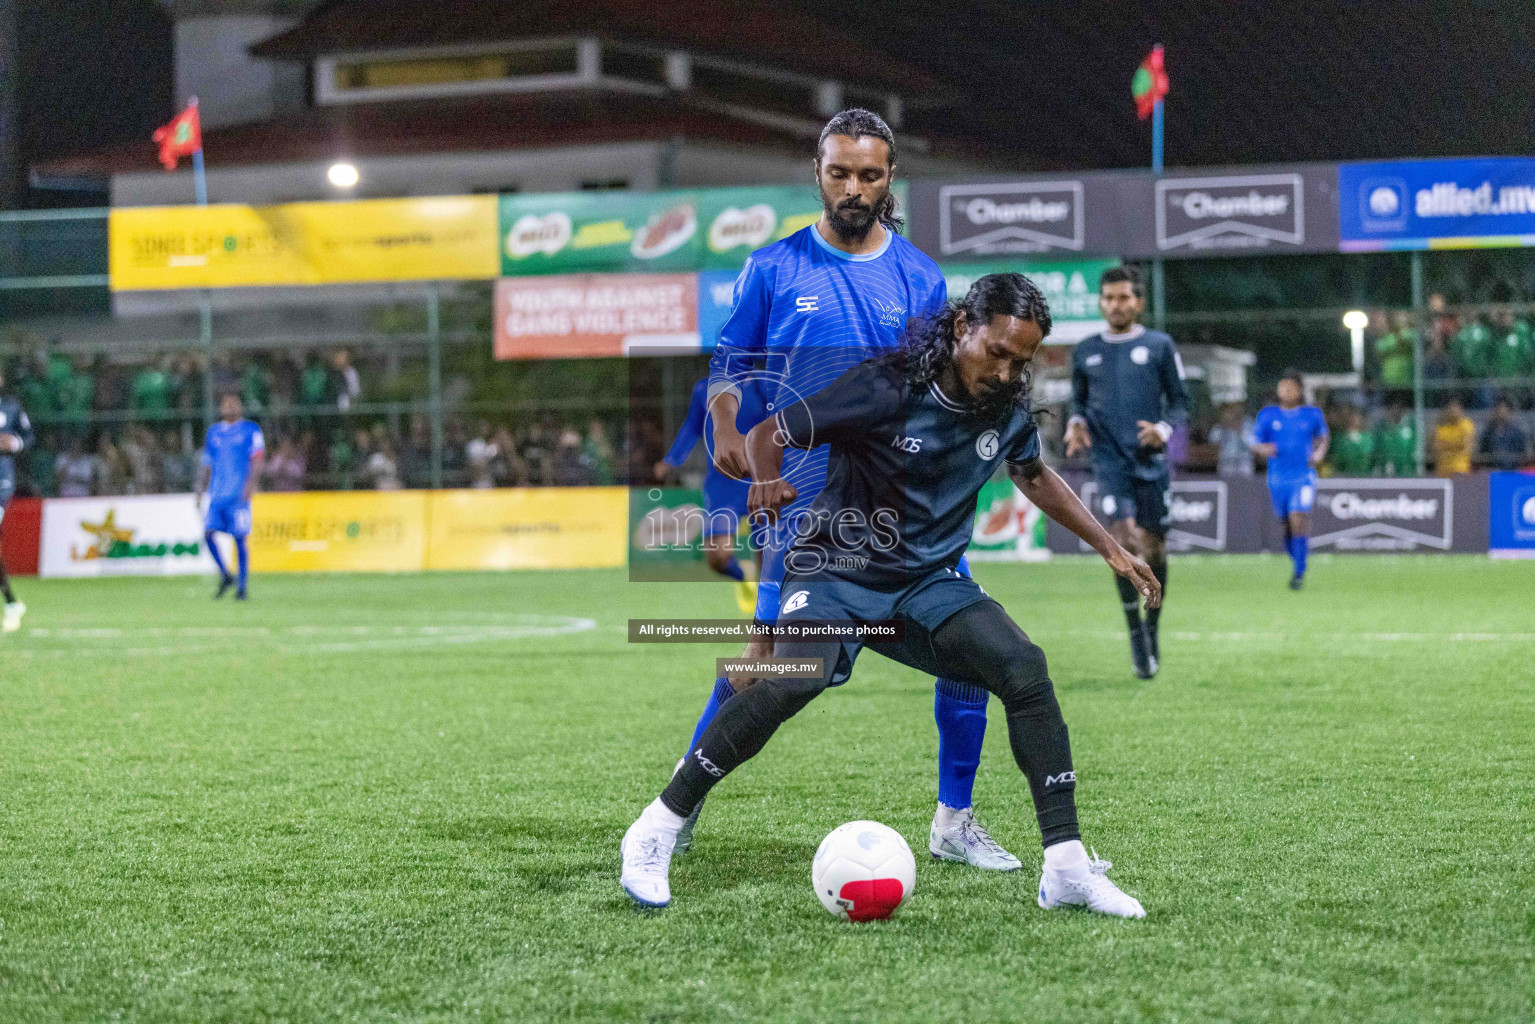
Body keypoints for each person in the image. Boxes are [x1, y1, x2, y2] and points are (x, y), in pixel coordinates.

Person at [621, 274, 1158, 917]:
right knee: (793, 677)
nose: (1010, 371)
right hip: (835, 568)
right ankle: (658, 824)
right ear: (963, 328)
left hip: (925, 584)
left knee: (1023, 667)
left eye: (1023, 361)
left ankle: (1065, 866)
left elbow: (1033, 475)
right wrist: (766, 481)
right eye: (999, 352)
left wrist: (1108, 546)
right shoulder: (885, 386)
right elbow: (770, 435)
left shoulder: (1007, 409)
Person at [691, 108, 1018, 870]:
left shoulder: (919, 275)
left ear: (889, 178)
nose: (852, 187)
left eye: (868, 174)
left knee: (968, 650)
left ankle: (954, 820)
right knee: (766, 660)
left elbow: (944, 386)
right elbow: (729, 364)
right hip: (803, 500)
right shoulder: (773, 268)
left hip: (904, 507)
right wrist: (731, 427)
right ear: (818, 171)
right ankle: (687, 791)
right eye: (839, 172)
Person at [1064, 265, 1188, 678]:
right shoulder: (1084, 351)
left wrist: (1164, 429)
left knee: (1153, 549)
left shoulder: (1159, 345)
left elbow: (1182, 402)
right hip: (1109, 461)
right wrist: (1075, 424)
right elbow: (1077, 404)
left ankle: (1152, 626)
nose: (1116, 305)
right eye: (1109, 298)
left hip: (1150, 464)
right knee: (1123, 540)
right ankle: (1134, 633)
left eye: (1124, 298)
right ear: (1101, 302)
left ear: (1139, 302)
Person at [654, 375, 767, 613]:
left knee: (768, 559)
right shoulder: (704, 388)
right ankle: (743, 576)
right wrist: (672, 459)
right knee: (717, 557)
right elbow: (692, 426)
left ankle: (768, 621)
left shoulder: (763, 384)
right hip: (722, 484)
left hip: (760, 479)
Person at [1251, 371, 1329, 590]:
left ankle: (1299, 573)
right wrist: (1263, 448)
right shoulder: (1268, 415)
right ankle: (1298, 559)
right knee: (1286, 524)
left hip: (1303, 476)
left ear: (1300, 390)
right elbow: (1255, 442)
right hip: (1278, 478)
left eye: (1290, 387)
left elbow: (1323, 437)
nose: (1285, 391)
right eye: (1282, 386)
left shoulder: (1312, 414)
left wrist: (1319, 453)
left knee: (1298, 517)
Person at [196, 393, 265, 600]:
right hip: (217, 494)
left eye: (233, 403)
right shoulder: (214, 432)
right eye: (225, 404)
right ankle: (226, 575)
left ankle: (242, 587)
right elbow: (207, 463)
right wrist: (200, 488)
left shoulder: (251, 430)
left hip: (238, 494)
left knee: (239, 538)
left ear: (240, 407)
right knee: (208, 534)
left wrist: (251, 485)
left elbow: (258, 459)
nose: (228, 407)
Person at [0, 364, 35, 634]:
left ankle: (12, 603)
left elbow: (28, 437)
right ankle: (11, 601)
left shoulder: (10, 407)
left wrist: (14, 444)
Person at [1479, 398, 1529, 470]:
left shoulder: (1517, 433)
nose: (1501, 411)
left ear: (1509, 411)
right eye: (1499, 408)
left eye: (1504, 408)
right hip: (1493, 472)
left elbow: (1522, 454)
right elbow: (1483, 454)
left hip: (1513, 472)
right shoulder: (1488, 433)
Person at [1207, 402, 1254, 477]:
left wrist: (1239, 428)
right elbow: (1213, 440)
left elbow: (1252, 443)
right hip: (1226, 462)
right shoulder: (1222, 425)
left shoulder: (1248, 423)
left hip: (1244, 461)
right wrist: (1224, 425)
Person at [1431, 399, 1475, 476]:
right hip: (1443, 470)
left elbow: (1466, 446)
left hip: (1460, 469)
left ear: (1460, 410)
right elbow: (1436, 447)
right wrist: (1456, 444)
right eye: (1450, 409)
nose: (1453, 411)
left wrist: (1446, 446)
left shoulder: (1466, 424)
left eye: (1455, 408)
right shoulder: (1441, 426)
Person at [1374, 401, 1417, 477]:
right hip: (1387, 469)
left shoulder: (1410, 428)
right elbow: (1378, 449)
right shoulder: (1382, 428)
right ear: (1388, 411)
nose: (1396, 412)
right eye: (1393, 409)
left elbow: (1414, 449)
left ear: (1403, 411)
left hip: (1406, 470)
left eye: (1399, 409)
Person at [1328, 408, 1374, 476]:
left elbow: (1367, 456)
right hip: (1344, 477)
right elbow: (1337, 459)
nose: (1354, 421)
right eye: (1352, 419)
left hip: (1364, 477)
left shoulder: (1367, 438)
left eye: (1356, 419)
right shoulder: (1340, 439)